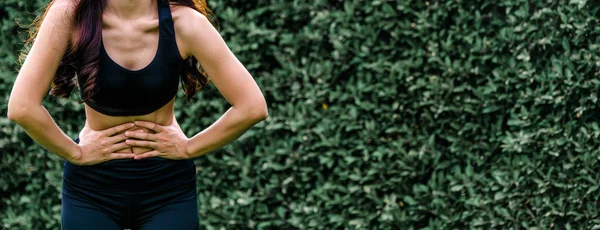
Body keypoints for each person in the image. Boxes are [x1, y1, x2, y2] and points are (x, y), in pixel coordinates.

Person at [7, 0, 268, 229]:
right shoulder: (69, 14)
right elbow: (22, 107)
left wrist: (189, 148)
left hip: (167, 188)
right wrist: (76, 153)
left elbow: (252, 106)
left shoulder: (186, 23)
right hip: (92, 188)